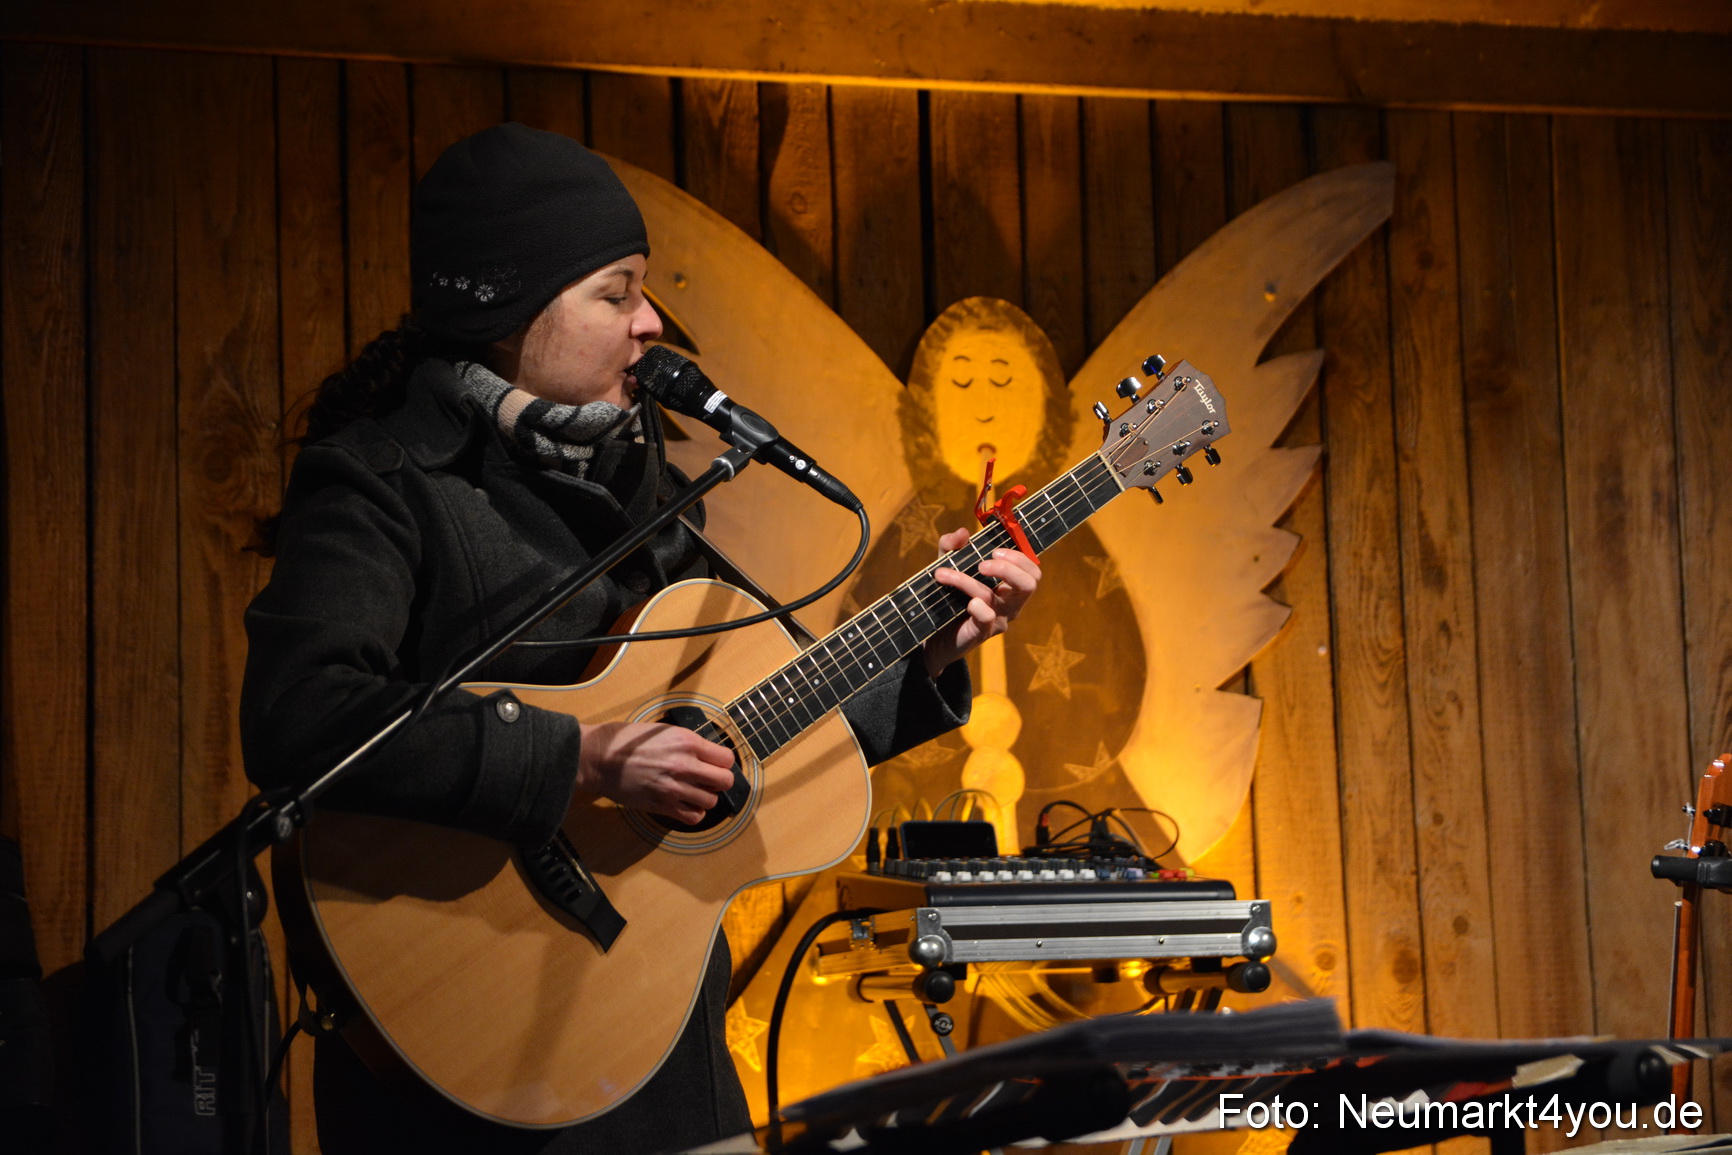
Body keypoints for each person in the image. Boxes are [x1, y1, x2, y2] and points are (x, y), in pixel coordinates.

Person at [240, 123, 1042, 1153]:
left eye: (643, 291)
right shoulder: (384, 478)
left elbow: (753, 731)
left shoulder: (648, 488)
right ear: (504, 307)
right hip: (465, 1041)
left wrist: (934, 645)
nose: (651, 322)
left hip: (660, 1049)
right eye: (614, 293)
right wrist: (580, 755)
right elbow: (303, 717)